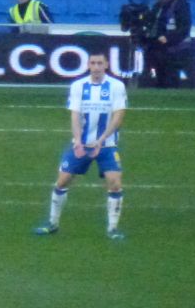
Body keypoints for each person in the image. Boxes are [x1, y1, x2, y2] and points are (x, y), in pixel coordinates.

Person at [33, 49, 128, 240]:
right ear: (88, 65)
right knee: (62, 181)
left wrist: (101, 141)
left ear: (107, 65)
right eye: (93, 63)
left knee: (115, 184)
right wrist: (78, 141)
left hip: (107, 145)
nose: (96, 67)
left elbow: (118, 116)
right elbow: (75, 115)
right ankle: (52, 223)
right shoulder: (78, 86)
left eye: (100, 63)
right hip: (81, 145)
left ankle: (112, 229)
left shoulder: (116, 86)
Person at [144, 0, 193, 88]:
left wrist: (169, 38)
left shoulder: (179, 3)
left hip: (177, 48)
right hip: (161, 48)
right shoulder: (158, 6)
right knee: (160, 77)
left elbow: (185, 27)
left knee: (171, 78)